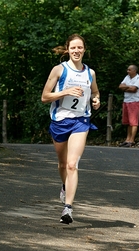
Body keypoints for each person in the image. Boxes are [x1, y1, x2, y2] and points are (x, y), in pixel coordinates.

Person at [41, 34, 100, 224]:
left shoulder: (90, 73)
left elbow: (95, 91)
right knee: (62, 164)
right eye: (73, 48)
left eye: (80, 48)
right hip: (60, 121)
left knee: (72, 164)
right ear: (68, 49)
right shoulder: (59, 70)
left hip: (81, 121)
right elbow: (45, 96)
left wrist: (96, 99)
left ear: (84, 49)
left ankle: (68, 209)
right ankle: (65, 187)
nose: (76, 51)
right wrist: (66, 91)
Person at [118, 65, 139, 147]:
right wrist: (129, 87)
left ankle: (132, 140)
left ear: (134, 71)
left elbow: (134, 89)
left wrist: (126, 87)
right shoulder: (127, 77)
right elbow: (120, 86)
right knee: (128, 122)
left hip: (134, 101)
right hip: (126, 101)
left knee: (133, 122)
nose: (127, 71)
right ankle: (127, 139)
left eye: (129, 70)